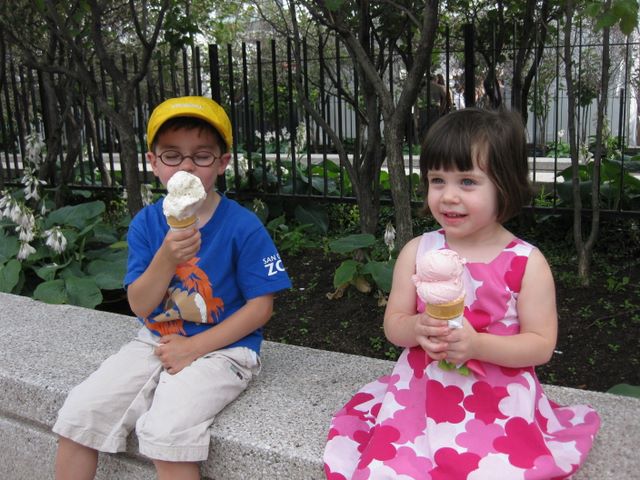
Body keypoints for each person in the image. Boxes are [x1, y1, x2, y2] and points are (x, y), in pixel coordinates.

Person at [323, 108, 600, 479]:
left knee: (497, 466)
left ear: (505, 184)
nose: (448, 196)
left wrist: (477, 345)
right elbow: (394, 325)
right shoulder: (418, 251)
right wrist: (417, 328)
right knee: (397, 464)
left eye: (467, 182)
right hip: (422, 391)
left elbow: (540, 345)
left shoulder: (526, 263)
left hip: (498, 398)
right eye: (437, 180)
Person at [53, 96, 292, 480]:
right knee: (81, 412)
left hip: (226, 349)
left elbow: (261, 308)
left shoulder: (243, 227)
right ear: (153, 162)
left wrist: (194, 348)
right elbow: (139, 305)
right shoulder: (146, 224)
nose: (186, 166)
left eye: (202, 155)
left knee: (166, 431)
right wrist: (166, 257)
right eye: (172, 155)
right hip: (156, 339)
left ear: (222, 162)